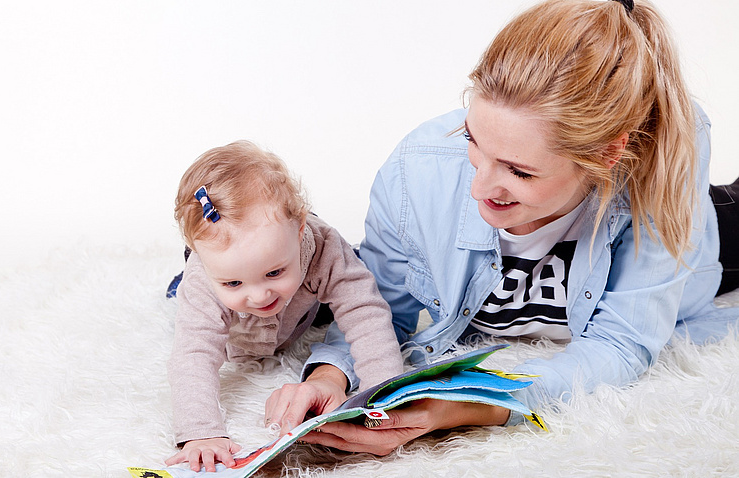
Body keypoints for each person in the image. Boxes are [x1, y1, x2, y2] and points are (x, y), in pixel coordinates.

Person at [264, 0, 739, 456]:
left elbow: (624, 343)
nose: (479, 188)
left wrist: (475, 406)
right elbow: (376, 306)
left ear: (608, 156)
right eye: (473, 140)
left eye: (519, 171)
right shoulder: (417, 173)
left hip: (712, 231)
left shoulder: (660, 168)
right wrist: (329, 376)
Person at [164, 140, 404, 471]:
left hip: (301, 308)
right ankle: (185, 279)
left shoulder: (321, 245)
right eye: (233, 282)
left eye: (273, 272)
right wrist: (201, 433)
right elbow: (192, 355)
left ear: (301, 227)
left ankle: (309, 272)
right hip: (236, 324)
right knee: (183, 297)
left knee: (357, 274)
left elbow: (365, 313)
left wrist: (387, 393)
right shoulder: (203, 280)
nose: (260, 296)